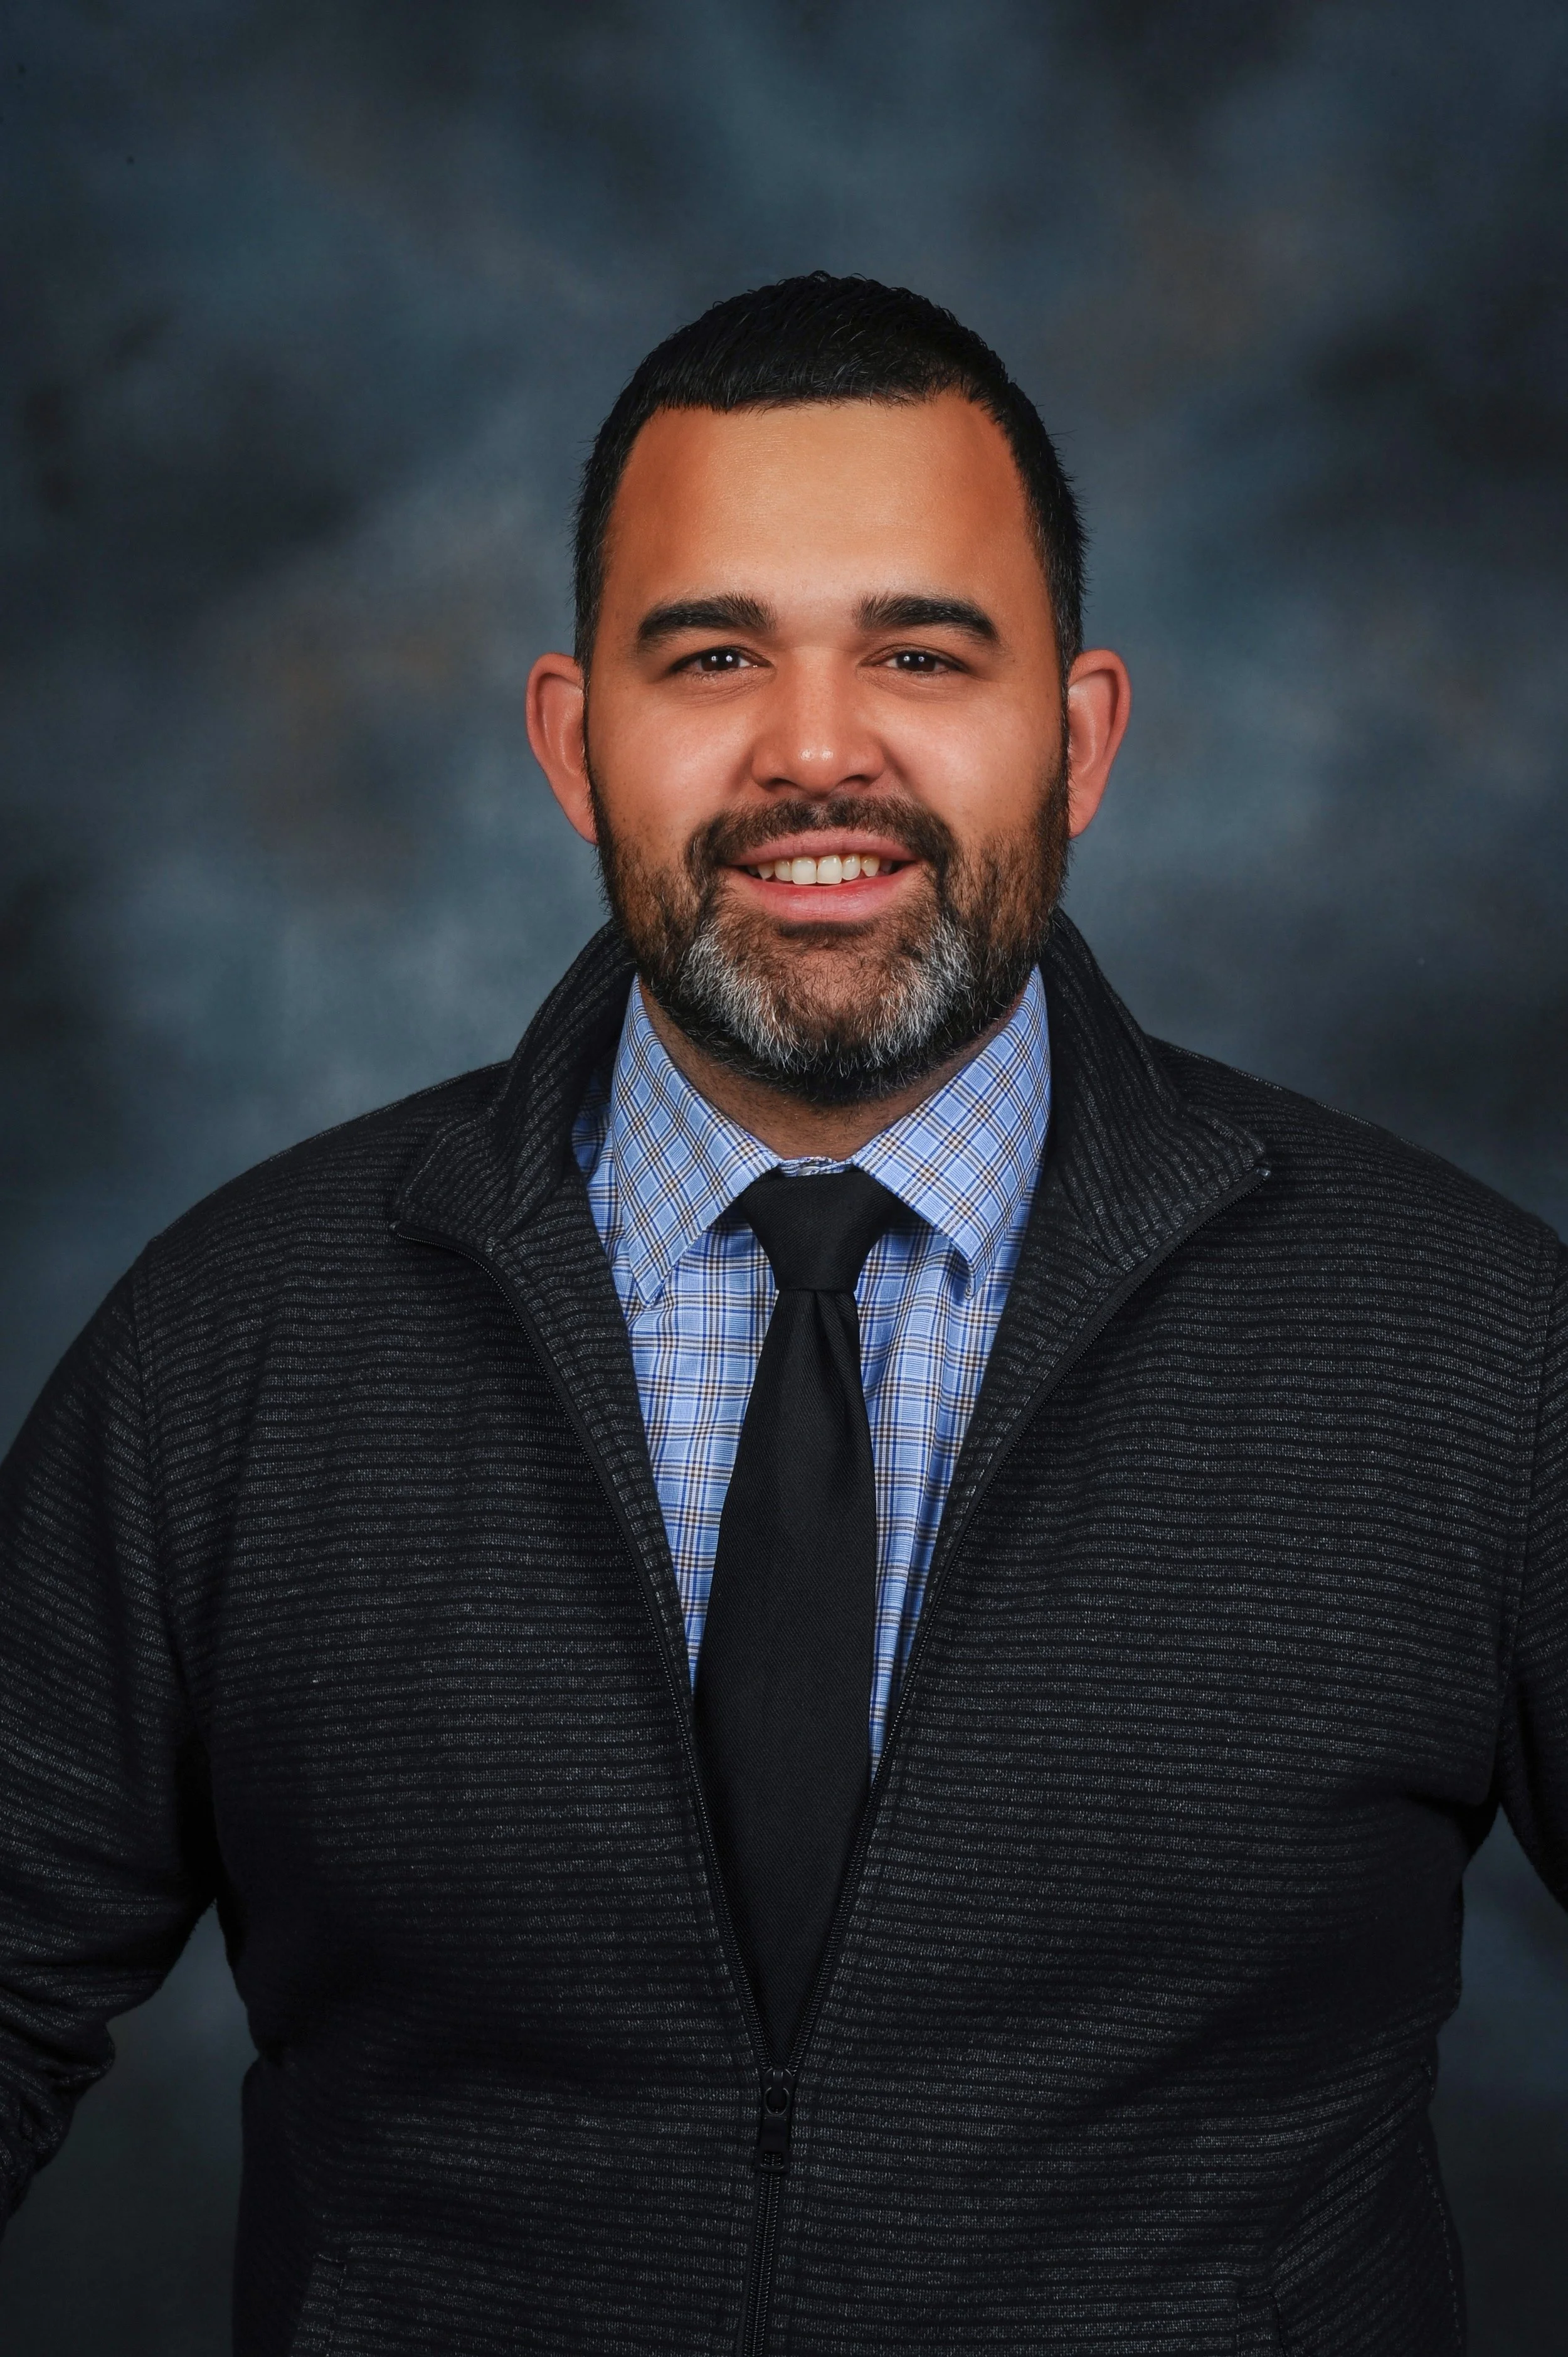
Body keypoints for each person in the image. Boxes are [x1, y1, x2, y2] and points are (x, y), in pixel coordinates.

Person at [0, 272, 1562, 2357]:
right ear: (576, 739)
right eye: (712, 652)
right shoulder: (240, 1348)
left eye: (919, 650)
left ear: (1076, 734)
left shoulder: (1460, 1340)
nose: (815, 752)